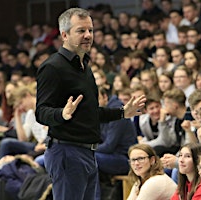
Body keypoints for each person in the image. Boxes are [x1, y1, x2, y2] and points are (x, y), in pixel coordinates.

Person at [35, 8, 146, 200]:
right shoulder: (52, 67)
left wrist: (122, 113)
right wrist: (61, 114)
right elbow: (41, 112)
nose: (88, 35)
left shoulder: (84, 66)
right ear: (64, 35)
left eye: (90, 30)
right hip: (67, 152)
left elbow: (91, 113)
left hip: (88, 152)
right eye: (81, 31)